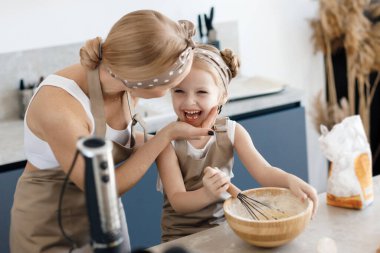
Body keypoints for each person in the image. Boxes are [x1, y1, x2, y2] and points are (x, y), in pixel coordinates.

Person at [10, 10, 217, 253]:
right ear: (145, 80)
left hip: (108, 219)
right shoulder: (59, 108)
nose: (176, 93)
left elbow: (112, 140)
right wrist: (165, 136)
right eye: (173, 87)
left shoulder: (127, 86)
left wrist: (178, 140)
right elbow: (103, 188)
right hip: (49, 225)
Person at [156, 44, 319, 242]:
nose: (189, 101)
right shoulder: (167, 141)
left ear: (222, 95)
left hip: (223, 231)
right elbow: (178, 201)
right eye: (179, 91)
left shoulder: (232, 132)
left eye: (201, 92)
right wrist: (207, 193)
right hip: (180, 239)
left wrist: (290, 181)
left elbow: (264, 171)